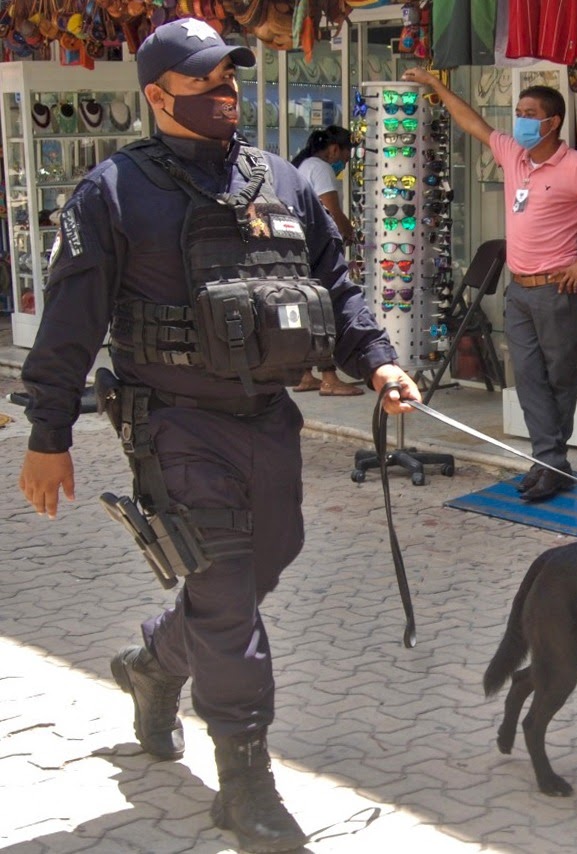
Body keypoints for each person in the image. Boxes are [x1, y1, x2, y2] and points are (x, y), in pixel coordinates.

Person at [17, 20, 419, 853]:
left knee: (260, 564)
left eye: (230, 80)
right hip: (174, 424)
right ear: (158, 97)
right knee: (229, 591)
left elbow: (335, 287)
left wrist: (378, 363)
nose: (225, 95)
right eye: (205, 84)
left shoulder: (277, 179)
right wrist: (46, 434)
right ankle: (245, 784)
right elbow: (68, 324)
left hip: (269, 420)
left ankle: (154, 664)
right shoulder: (114, 192)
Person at [402, 66, 577, 501]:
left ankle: (551, 462)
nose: (521, 120)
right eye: (519, 111)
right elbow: (473, 122)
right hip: (519, 288)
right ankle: (550, 462)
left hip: (557, 290)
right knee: (528, 378)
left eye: (530, 113)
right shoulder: (514, 155)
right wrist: (436, 86)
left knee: (559, 379)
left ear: (553, 122)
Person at [290, 125, 363, 396]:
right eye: (345, 157)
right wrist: (350, 233)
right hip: (317, 250)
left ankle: (305, 374)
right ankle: (330, 377)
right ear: (334, 150)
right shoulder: (320, 168)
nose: (344, 163)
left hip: (301, 248)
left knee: (309, 312)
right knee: (325, 311)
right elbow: (331, 210)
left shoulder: (303, 165)